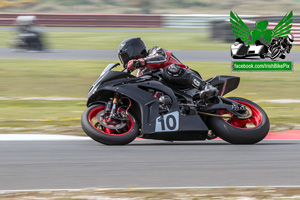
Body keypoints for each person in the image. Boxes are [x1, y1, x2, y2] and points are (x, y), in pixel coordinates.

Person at [117, 37, 218, 101]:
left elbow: (161, 59)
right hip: (175, 92)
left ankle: (205, 86)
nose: (126, 59)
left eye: (126, 55)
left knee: (169, 70)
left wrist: (141, 61)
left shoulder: (154, 51)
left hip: (187, 78)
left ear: (135, 49)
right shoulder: (140, 72)